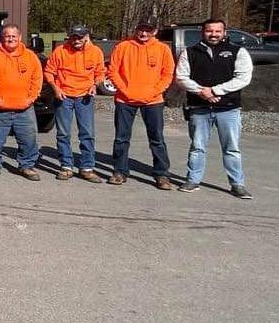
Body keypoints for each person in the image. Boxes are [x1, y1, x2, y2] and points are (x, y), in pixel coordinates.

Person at [175, 19, 254, 199]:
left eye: (218, 31)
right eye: (209, 31)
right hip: (199, 107)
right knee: (197, 147)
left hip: (228, 109)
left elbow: (243, 78)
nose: (214, 34)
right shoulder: (190, 52)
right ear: (203, 32)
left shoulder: (238, 51)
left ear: (224, 32)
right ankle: (193, 180)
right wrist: (201, 92)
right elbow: (181, 77)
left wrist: (216, 90)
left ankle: (237, 184)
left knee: (232, 148)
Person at [107, 16, 175, 190]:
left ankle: (161, 174)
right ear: (136, 29)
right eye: (141, 29)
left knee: (157, 138)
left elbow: (167, 74)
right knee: (121, 138)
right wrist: (125, 90)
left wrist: (154, 91)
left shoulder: (162, 49)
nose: (144, 33)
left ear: (155, 31)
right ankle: (120, 171)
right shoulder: (123, 47)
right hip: (125, 100)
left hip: (153, 101)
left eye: (148, 30)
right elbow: (112, 71)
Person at [0, 24, 44, 180]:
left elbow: (37, 80)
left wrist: (30, 98)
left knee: (29, 139)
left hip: (24, 108)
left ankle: (27, 166)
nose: (10, 39)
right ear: (2, 37)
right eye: (7, 36)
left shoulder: (30, 57)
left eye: (13, 36)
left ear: (20, 37)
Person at [44, 25, 106, 183]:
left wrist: (95, 85)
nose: (76, 40)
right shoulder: (60, 51)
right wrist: (56, 88)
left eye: (80, 37)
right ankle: (66, 166)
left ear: (86, 37)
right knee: (63, 133)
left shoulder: (96, 52)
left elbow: (100, 72)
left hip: (85, 96)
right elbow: (49, 71)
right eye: (73, 37)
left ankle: (87, 168)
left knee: (87, 133)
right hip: (63, 96)